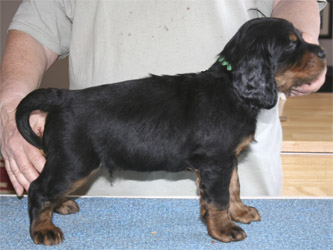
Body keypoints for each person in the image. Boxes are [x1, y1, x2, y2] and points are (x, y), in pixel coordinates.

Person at [0, 0, 327, 197]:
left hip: (242, 183)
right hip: (99, 193)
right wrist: (10, 105)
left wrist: (297, 48)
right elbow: (37, 26)